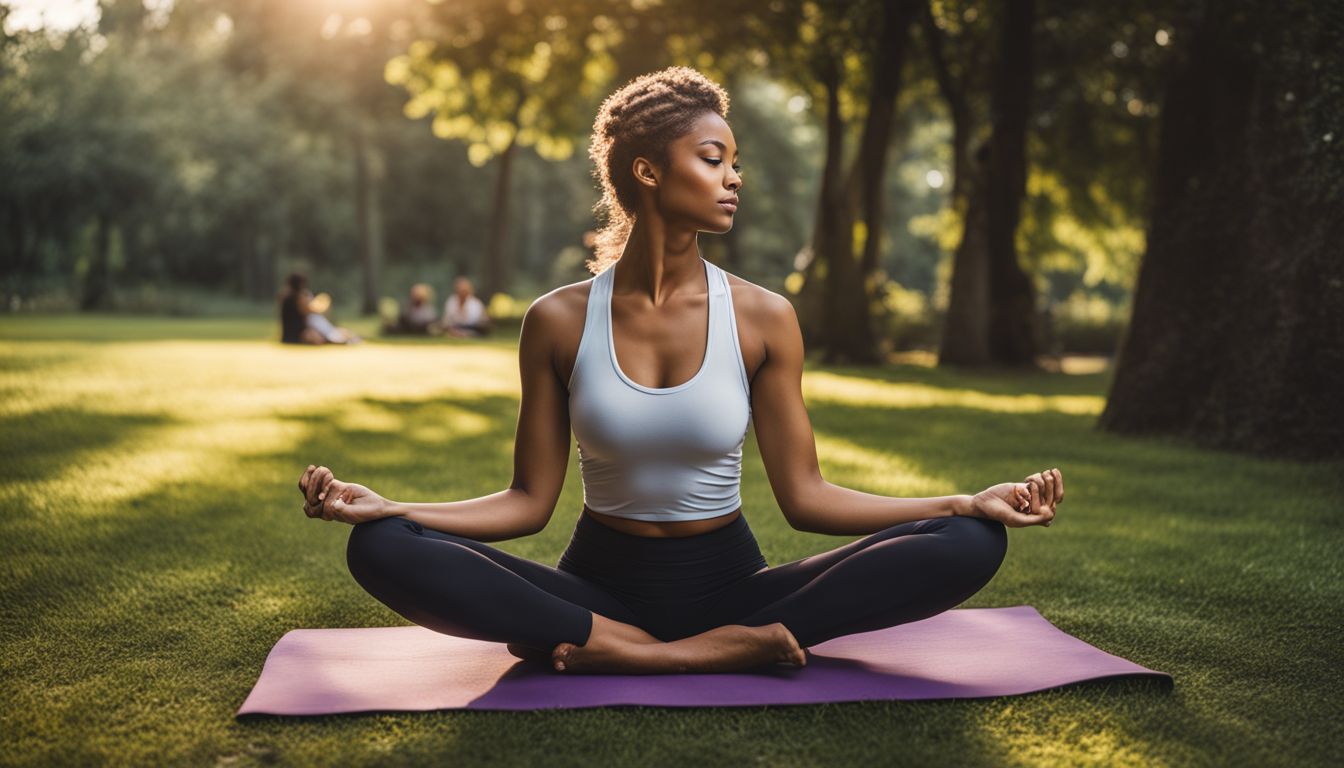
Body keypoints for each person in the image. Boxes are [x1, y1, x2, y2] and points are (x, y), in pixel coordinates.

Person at [297, 66, 1063, 675]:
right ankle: (701, 648)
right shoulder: (558, 321)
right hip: (595, 590)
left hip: (732, 587)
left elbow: (807, 498)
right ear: (649, 171)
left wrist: (962, 502)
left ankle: (652, 654)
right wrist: (392, 509)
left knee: (971, 543)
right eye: (713, 158)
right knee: (381, 548)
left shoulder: (764, 317)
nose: (735, 177)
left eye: (736, 162)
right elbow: (527, 503)